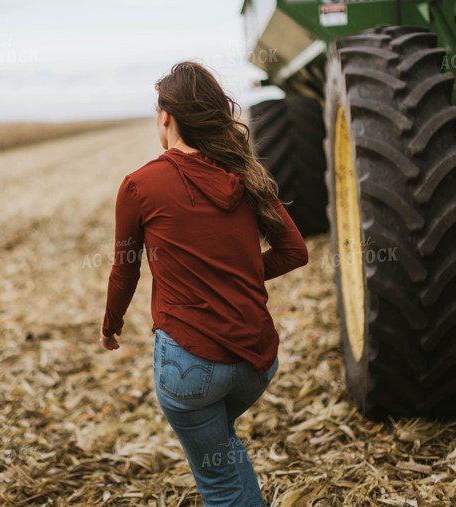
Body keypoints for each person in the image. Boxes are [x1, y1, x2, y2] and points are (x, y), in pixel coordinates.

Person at [99, 61, 308, 506]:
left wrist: (110, 324)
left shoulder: (140, 185)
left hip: (191, 369)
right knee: (223, 452)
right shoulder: (245, 174)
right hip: (256, 363)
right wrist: (240, 274)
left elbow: (125, 270)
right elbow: (295, 252)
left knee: (219, 484)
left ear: (166, 117)